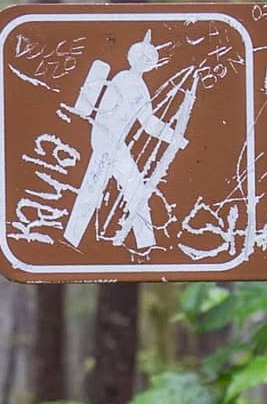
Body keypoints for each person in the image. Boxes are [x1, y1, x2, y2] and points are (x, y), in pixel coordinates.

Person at [61, 35, 186, 249]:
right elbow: (108, 114)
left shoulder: (141, 88)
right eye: (141, 56)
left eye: (149, 59)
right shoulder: (124, 79)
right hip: (107, 140)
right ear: (132, 57)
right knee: (97, 187)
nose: (144, 62)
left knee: (127, 188)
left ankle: (144, 242)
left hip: (115, 144)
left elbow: (147, 123)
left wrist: (175, 138)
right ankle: (73, 238)